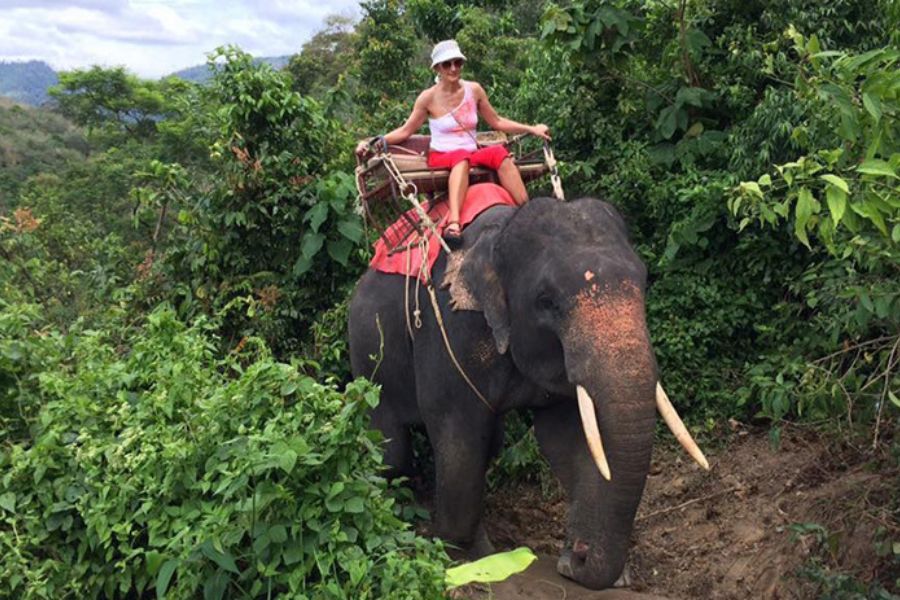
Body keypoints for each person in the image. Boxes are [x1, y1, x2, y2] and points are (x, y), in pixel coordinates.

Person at [356, 39, 550, 248]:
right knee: (461, 158)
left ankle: (527, 211)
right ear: (437, 68)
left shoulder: (474, 90)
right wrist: (373, 142)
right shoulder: (427, 98)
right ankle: (454, 222)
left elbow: (497, 121)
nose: (453, 68)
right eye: (447, 64)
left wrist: (532, 129)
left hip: (471, 152)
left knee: (499, 153)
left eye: (457, 62)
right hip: (443, 155)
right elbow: (406, 131)